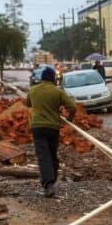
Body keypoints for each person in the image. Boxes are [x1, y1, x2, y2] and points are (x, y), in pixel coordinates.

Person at [26, 67, 76, 197]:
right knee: (52, 154)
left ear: (42, 78)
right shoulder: (57, 92)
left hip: (37, 127)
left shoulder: (33, 90)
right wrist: (68, 119)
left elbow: (28, 103)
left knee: (43, 156)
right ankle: (51, 181)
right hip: (53, 127)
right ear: (53, 79)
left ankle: (48, 184)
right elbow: (73, 106)